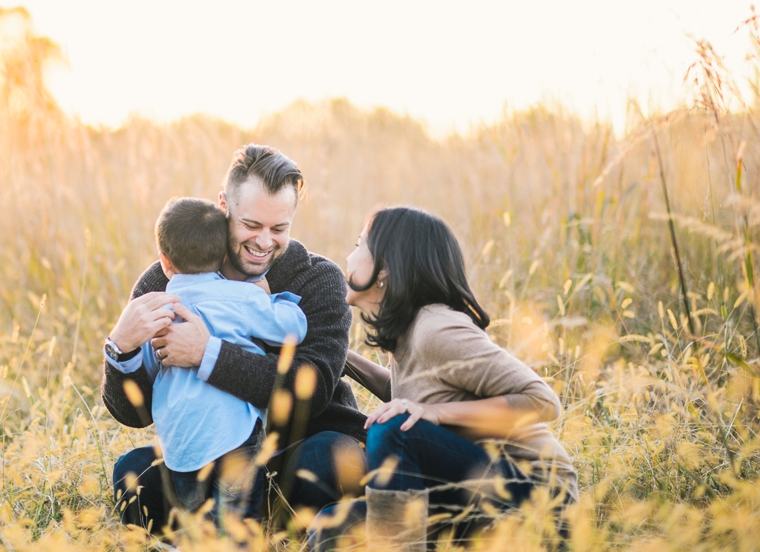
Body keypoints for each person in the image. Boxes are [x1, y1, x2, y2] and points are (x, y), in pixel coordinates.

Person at [101, 144, 368, 534]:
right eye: (251, 225)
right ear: (223, 205)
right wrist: (119, 348)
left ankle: (263, 532)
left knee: (329, 458)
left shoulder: (317, 279)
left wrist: (207, 354)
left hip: (301, 449)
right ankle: (216, 534)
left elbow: (311, 391)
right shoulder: (166, 280)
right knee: (133, 472)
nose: (264, 242)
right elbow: (133, 414)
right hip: (210, 458)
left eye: (279, 229)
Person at [312, 206, 578, 551]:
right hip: (471, 496)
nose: (348, 256)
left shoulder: (435, 328)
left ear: (386, 270)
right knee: (332, 525)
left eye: (359, 244)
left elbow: (542, 401)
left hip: (539, 501)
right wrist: (336, 353)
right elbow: (413, 395)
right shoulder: (409, 334)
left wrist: (435, 414)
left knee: (394, 427)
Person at [117, 195, 308, 526]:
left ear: (164, 261)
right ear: (224, 254)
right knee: (236, 527)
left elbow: (145, 374)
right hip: (235, 437)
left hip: (183, 445)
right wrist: (273, 298)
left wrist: (122, 346)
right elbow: (293, 329)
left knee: (196, 525)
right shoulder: (242, 297)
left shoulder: (156, 311)